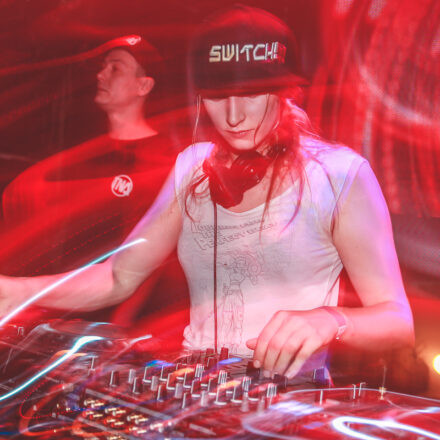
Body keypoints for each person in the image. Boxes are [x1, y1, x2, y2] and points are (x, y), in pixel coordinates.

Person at [0, 6, 414, 379]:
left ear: (286, 93)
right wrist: (17, 290)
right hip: (195, 387)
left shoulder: (340, 175)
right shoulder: (192, 167)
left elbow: (397, 320)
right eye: (217, 97)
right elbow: (118, 275)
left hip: (290, 397)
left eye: (250, 94)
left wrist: (330, 320)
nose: (233, 117)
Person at [0, 36, 187, 330]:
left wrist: (121, 325)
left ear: (143, 86)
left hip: (115, 327)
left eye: (115, 68)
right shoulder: (82, 158)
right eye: (103, 67)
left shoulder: (165, 160)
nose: (101, 75)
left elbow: (153, 258)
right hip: (64, 318)